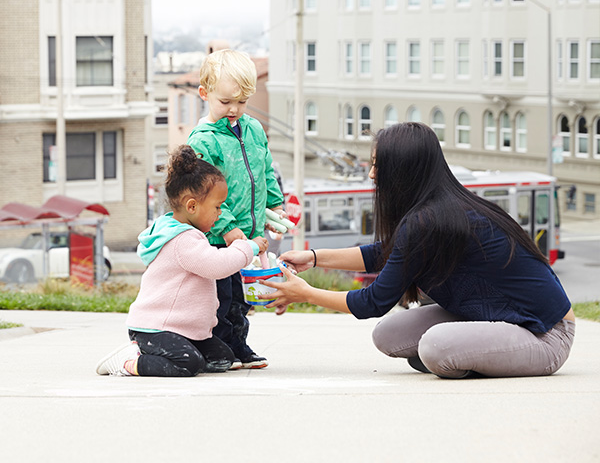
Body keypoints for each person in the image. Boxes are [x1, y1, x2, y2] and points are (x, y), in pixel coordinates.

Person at [263, 122, 575, 379]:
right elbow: (383, 252)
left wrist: (305, 293)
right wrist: (315, 258)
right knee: (389, 336)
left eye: (377, 165)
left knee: (436, 347)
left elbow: (372, 302)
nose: (372, 174)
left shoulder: (432, 218)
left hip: (544, 334)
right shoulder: (434, 212)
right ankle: (472, 352)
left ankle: (470, 356)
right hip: (493, 319)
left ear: (403, 170)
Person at [95, 145, 269, 377]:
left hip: (183, 330)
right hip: (156, 329)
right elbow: (218, 266)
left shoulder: (188, 234)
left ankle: (182, 351)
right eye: (217, 207)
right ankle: (128, 361)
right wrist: (248, 247)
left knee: (223, 359)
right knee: (188, 364)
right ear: (192, 206)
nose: (220, 213)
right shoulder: (182, 240)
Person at [187, 49, 285, 369]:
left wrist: (274, 201)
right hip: (218, 235)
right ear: (205, 94)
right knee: (219, 297)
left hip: (246, 232)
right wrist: (227, 227)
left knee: (239, 299)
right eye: (225, 102)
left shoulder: (253, 129)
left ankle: (237, 346)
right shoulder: (204, 140)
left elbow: (264, 168)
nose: (234, 110)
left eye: (242, 102)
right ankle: (217, 349)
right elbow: (205, 192)